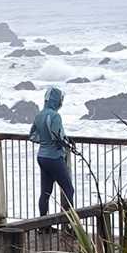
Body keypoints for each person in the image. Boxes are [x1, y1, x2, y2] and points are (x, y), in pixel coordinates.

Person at [29, 86, 75, 216]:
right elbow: (57, 136)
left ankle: (43, 225)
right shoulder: (55, 116)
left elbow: (32, 135)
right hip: (54, 157)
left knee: (45, 192)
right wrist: (67, 143)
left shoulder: (39, 115)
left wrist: (45, 141)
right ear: (57, 100)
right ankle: (70, 225)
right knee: (68, 190)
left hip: (42, 157)